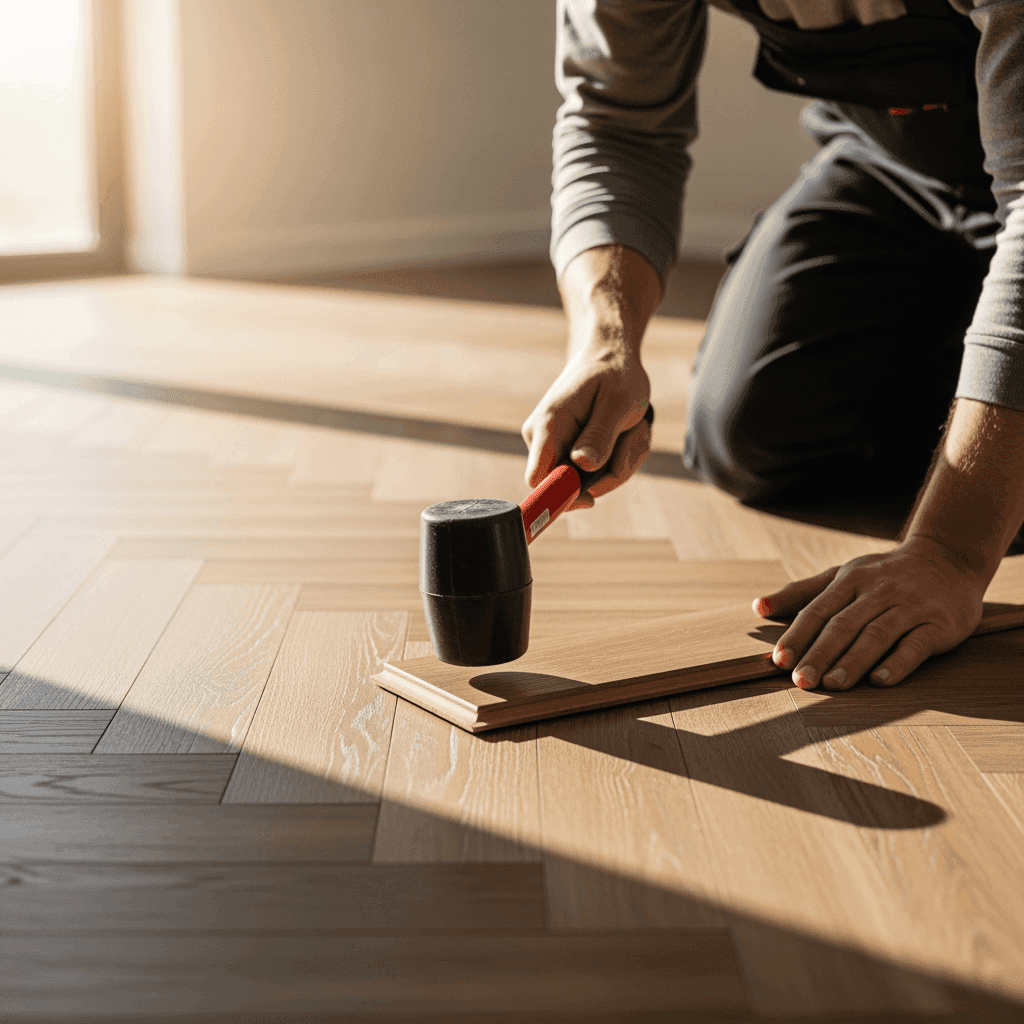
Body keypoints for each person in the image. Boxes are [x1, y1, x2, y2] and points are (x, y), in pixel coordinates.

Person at [521, 0, 1024, 692]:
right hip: (897, 165)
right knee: (750, 426)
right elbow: (616, 126)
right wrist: (606, 342)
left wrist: (953, 550)